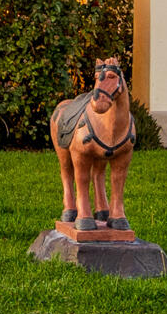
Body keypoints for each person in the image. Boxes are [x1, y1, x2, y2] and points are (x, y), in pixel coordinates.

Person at [50, 56, 137, 235]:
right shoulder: (86, 123)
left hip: (119, 137)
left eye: (112, 77)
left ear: (120, 80)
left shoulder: (128, 127)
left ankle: (115, 210)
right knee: (71, 169)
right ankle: (76, 206)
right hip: (85, 137)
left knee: (115, 172)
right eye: (99, 79)